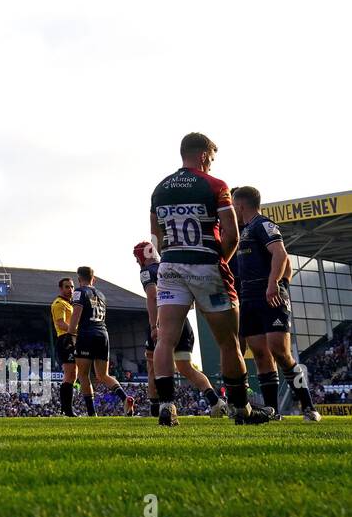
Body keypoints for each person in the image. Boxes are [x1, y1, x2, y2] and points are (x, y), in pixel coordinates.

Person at [150, 132, 270, 426]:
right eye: (211, 159)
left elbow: (155, 237)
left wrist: (172, 256)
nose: (212, 165)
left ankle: (167, 405)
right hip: (207, 265)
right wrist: (221, 261)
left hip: (171, 266)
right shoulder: (216, 186)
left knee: (165, 339)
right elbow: (232, 233)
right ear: (203, 155)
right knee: (229, 342)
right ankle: (241, 410)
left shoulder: (160, 189)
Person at [230, 187, 320, 421]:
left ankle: (309, 407)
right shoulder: (242, 231)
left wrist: (276, 285)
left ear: (240, 205)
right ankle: (272, 411)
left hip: (269, 297)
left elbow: (281, 256)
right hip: (248, 299)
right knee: (260, 353)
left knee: (279, 351)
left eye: (232, 205)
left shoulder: (262, 225)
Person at [135, 241, 225, 418]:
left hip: (165, 320)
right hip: (183, 321)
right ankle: (216, 401)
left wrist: (154, 325)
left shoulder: (147, 272)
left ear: (141, 257)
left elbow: (152, 296)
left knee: (153, 365)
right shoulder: (170, 267)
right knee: (186, 367)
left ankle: (159, 409)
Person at [67, 267, 134, 416]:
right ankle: (124, 398)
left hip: (86, 334)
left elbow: (76, 315)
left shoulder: (79, 292)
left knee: (83, 374)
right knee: (103, 375)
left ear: (79, 279)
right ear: (93, 279)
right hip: (103, 334)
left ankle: (92, 413)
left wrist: (70, 334)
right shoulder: (102, 295)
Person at [51, 279, 79, 416]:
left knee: (73, 375)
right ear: (60, 288)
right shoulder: (59, 303)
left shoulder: (71, 304)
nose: (70, 290)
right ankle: (67, 410)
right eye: (67, 287)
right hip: (65, 339)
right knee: (70, 374)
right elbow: (61, 324)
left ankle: (66, 409)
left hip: (72, 339)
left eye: (72, 287)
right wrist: (78, 332)